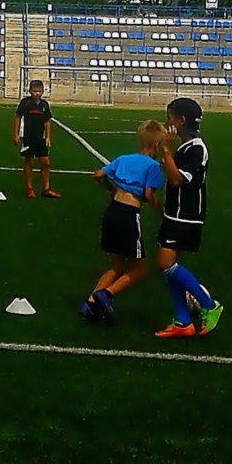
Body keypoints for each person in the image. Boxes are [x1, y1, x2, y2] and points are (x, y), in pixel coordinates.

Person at [80, 119, 165, 327]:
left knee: (116, 266)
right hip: (129, 214)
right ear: (157, 146)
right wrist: (162, 214)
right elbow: (148, 194)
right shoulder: (154, 166)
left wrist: (111, 189)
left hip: (112, 211)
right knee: (139, 269)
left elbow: (99, 174)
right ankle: (106, 295)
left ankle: (89, 303)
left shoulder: (124, 159)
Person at [154, 97, 223, 339]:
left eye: (169, 118)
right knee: (170, 267)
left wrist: (166, 149)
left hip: (186, 215)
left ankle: (209, 305)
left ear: (181, 121)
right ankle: (183, 321)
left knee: (165, 263)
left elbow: (176, 180)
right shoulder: (186, 147)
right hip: (175, 213)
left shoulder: (196, 149)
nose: (167, 123)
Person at [13, 79, 60, 199]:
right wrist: (16, 134)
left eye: (39, 91)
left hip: (41, 137)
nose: (37, 93)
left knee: (45, 162)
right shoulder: (25, 103)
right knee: (29, 161)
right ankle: (29, 188)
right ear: (30, 91)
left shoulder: (44, 105)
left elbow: (47, 122)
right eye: (35, 91)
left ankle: (46, 189)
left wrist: (48, 137)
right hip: (28, 137)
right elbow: (18, 117)